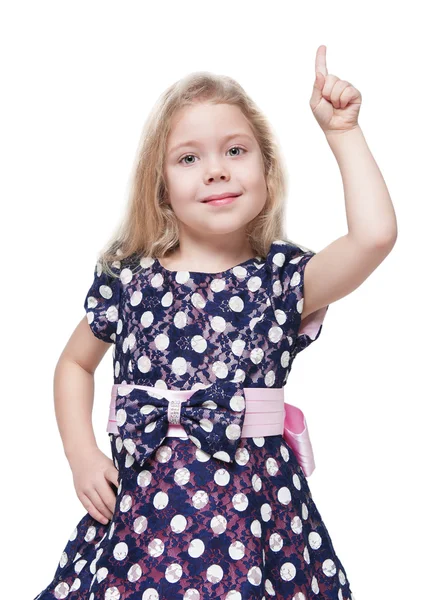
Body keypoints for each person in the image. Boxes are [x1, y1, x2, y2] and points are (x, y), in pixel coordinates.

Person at [33, 45, 397, 600]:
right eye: (188, 158)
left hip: (255, 526)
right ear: (160, 186)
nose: (217, 170)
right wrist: (82, 455)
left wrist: (342, 133)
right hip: (142, 525)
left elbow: (373, 237)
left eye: (235, 150)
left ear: (267, 171)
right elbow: (74, 364)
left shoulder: (281, 280)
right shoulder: (128, 278)